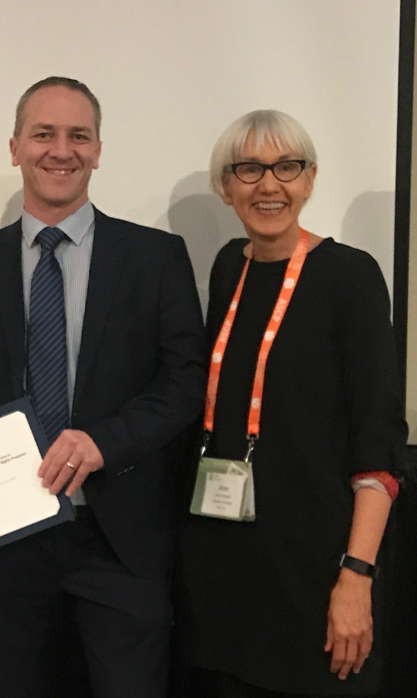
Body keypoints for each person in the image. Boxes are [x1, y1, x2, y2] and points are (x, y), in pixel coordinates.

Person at [0, 76, 207, 698]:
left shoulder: (155, 257)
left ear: (98, 150)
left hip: (118, 538)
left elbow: (184, 383)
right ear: (15, 147)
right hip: (6, 538)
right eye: (43, 134)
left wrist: (104, 442)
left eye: (78, 136)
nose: (60, 150)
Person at [173, 110, 409, 698]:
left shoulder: (350, 276)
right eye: (249, 169)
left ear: (309, 179)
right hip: (229, 568)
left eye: (287, 167)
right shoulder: (230, 265)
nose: (269, 185)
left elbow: (377, 438)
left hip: (319, 571)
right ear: (226, 188)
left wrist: (357, 576)